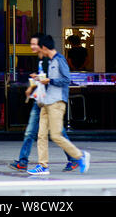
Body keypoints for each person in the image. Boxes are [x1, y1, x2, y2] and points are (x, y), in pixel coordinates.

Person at [9, 33, 74, 172]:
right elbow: (42, 78)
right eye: (31, 43)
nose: (32, 46)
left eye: (34, 44)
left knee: (55, 134)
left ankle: (75, 158)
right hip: (40, 100)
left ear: (42, 46)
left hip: (49, 101)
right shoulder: (41, 59)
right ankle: (26, 161)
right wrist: (31, 86)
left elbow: (53, 79)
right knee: (37, 133)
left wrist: (39, 82)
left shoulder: (50, 59)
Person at [27, 35, 90, 175]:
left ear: (44, 47)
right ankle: (43, 166)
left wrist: (50, 81)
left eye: (39, 48)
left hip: (56, 103)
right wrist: (38, 79)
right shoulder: (48, 62)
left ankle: (80, 156)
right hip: (45, 102)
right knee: (41, 135)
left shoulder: (60, 60)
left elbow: (66, 79)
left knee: (56, 135)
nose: (38, 51)